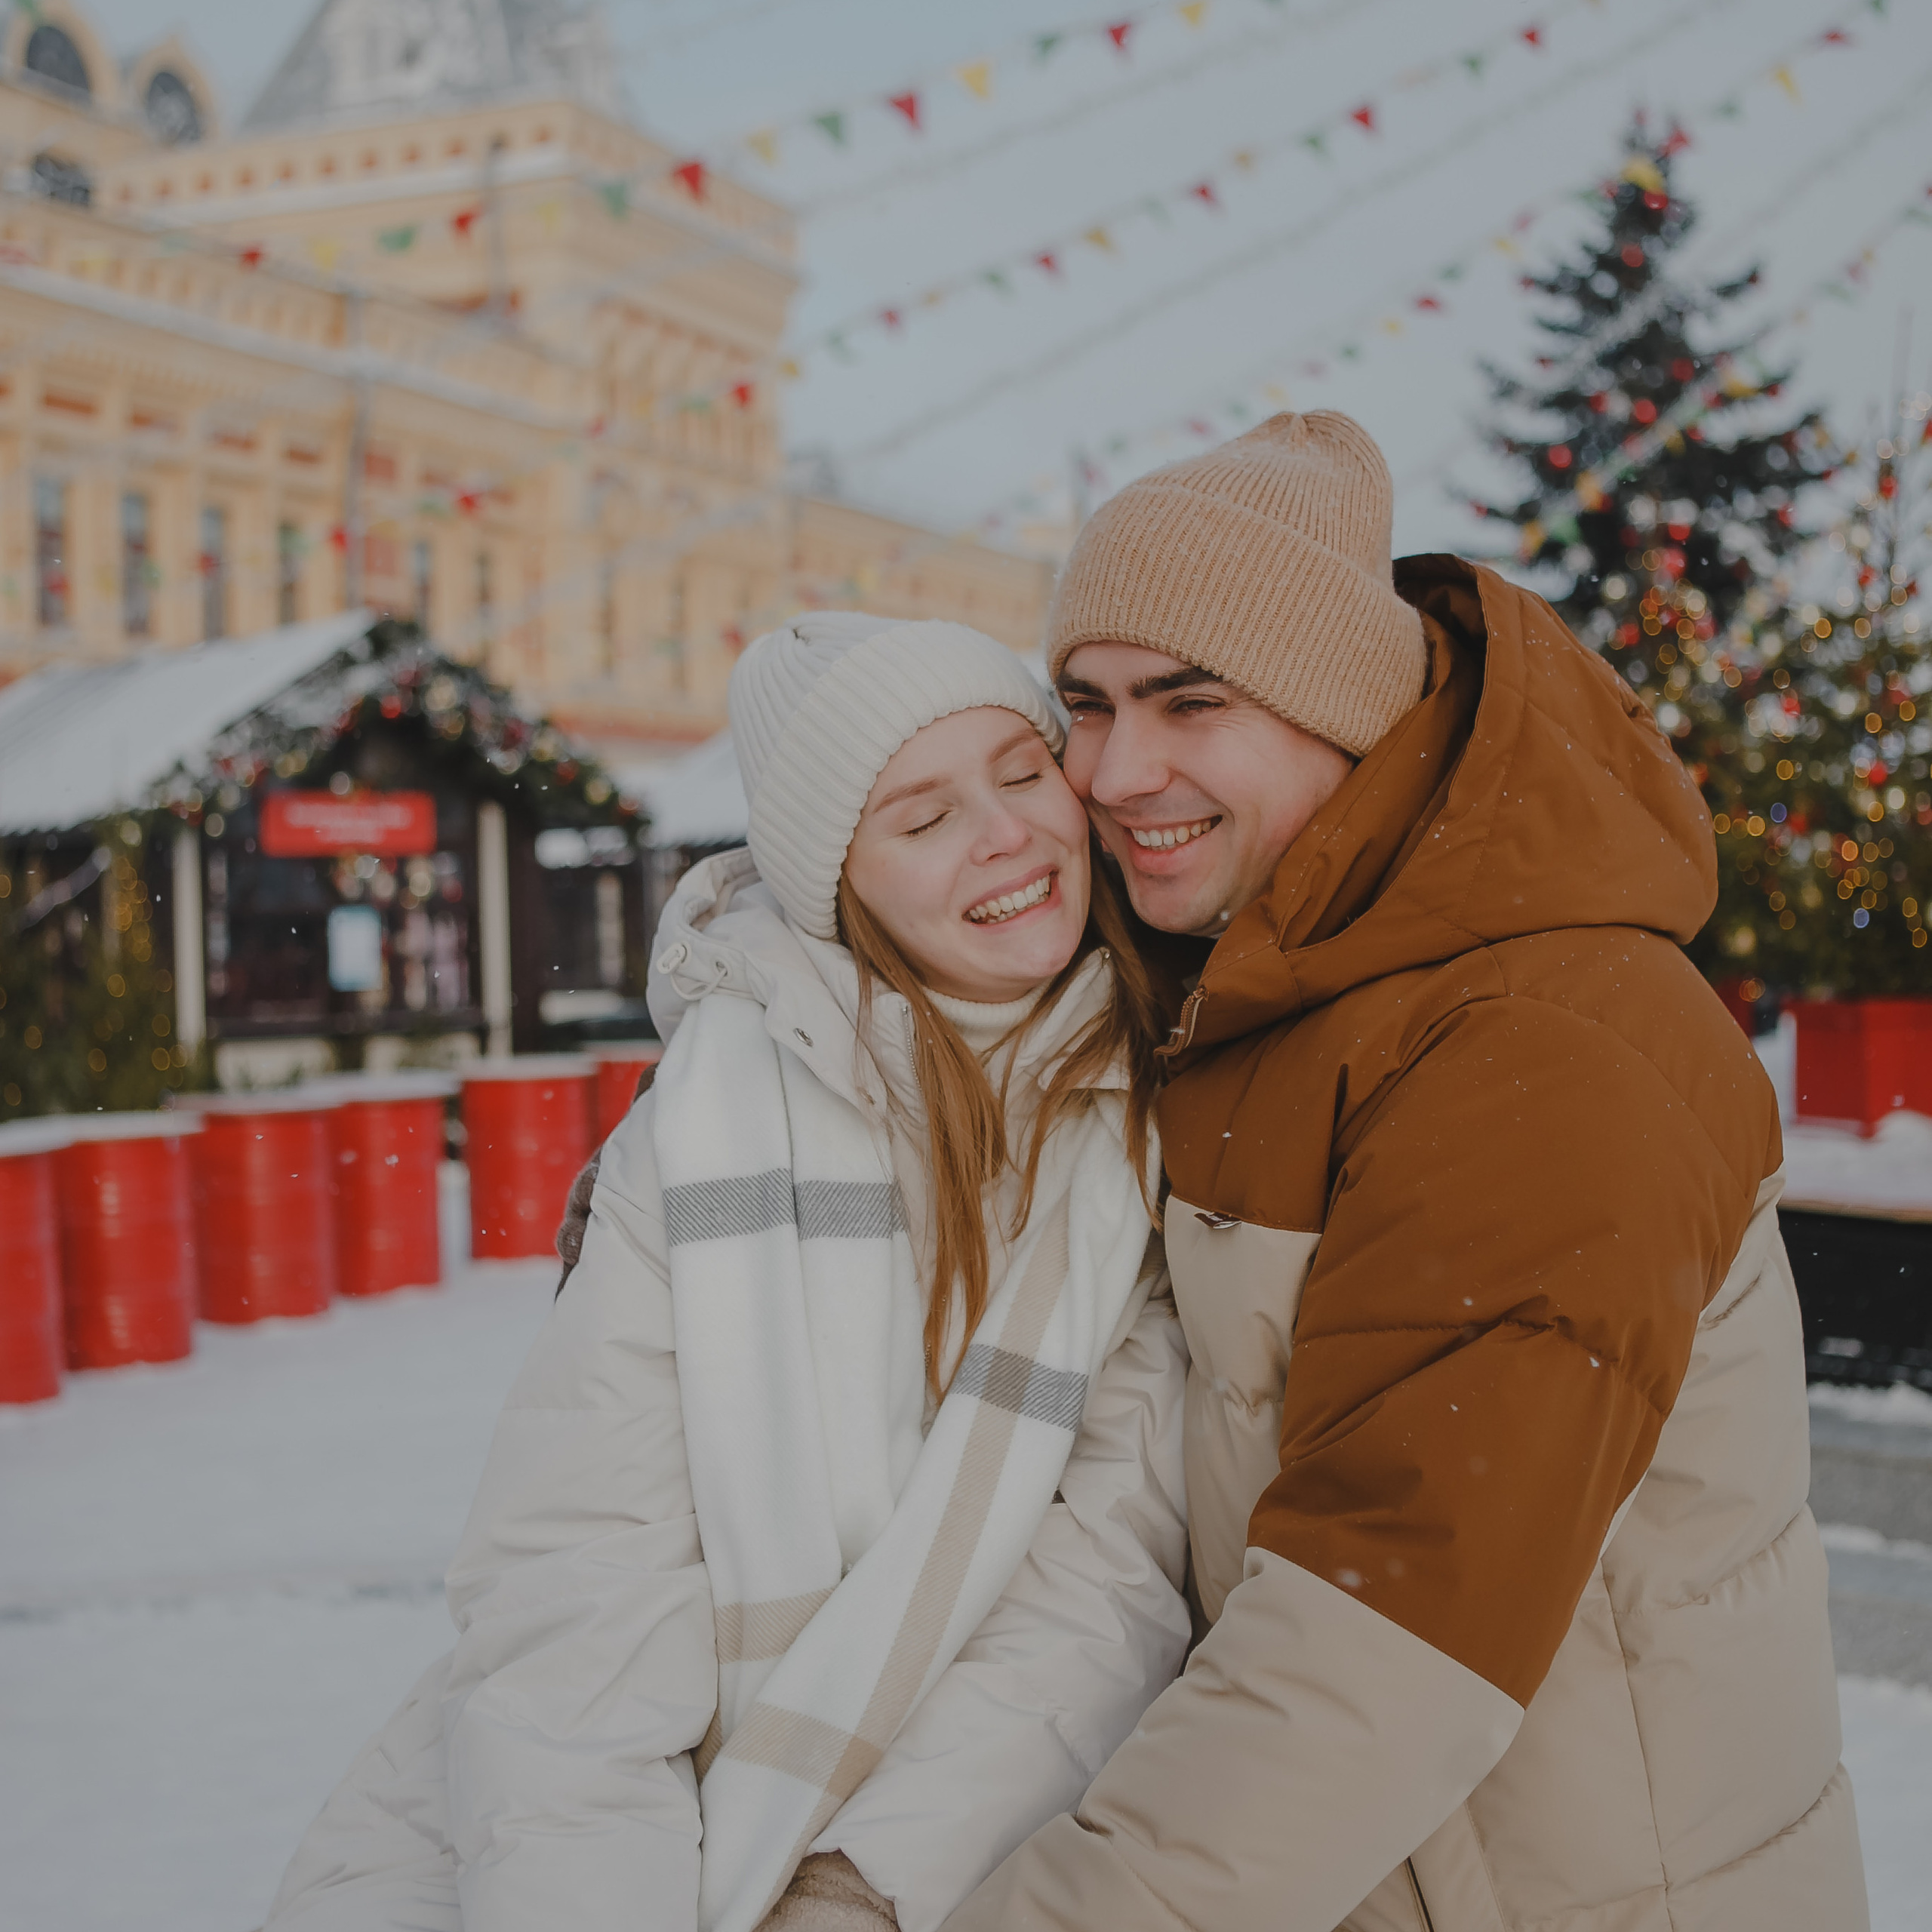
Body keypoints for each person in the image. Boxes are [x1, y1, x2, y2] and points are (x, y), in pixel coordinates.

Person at [945, 411, 1866, 1932]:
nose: (1113, 770)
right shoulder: (1260, 991)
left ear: (1341, 711)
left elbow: (1369, 1648)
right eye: (1086, 705)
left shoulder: (1539, 1044)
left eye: (1188, 700)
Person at [264, 615, 1192, 1932]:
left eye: (1023, 771)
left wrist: (854, 1892)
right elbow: (581, 1579)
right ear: (840, 884)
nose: (1005, 836)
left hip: (948, 1838)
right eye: (924, 819)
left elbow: (1105, 1585)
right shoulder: (700, 1136)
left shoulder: (1160, 1122)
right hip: (563, 1812)